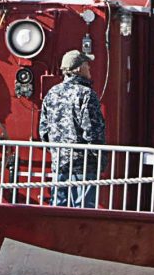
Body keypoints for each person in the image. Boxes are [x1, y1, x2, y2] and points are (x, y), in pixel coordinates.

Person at [39, 49, 106, 208]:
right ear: (78, 69)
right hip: (84, 167)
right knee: (83, 215)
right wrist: (100, 162)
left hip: (59, 167)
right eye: (86, 64)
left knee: (58, 212)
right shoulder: (87, 94)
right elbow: (93, 132)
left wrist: (57, 153)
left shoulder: (51, 93)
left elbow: (43, 132)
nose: (89, 67)